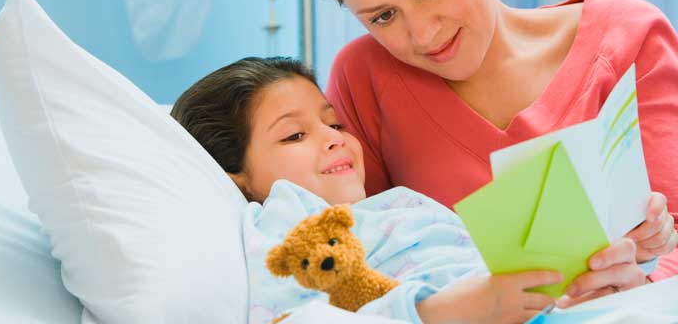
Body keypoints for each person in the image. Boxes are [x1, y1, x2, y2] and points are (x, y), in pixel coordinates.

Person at [310, 0, 678, 306]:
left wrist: (637, 290)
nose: (424, 33)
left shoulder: (629, 36)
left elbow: (673, 238)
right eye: (384, 16)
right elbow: (349, 257)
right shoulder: (364, 76)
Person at [171, 57, 564, 324]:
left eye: (336, 124)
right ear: (235, 175)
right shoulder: (285, 219)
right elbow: (297, 317)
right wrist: (438, 310)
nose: (333, 139)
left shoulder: (395, 204)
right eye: (294, 135)